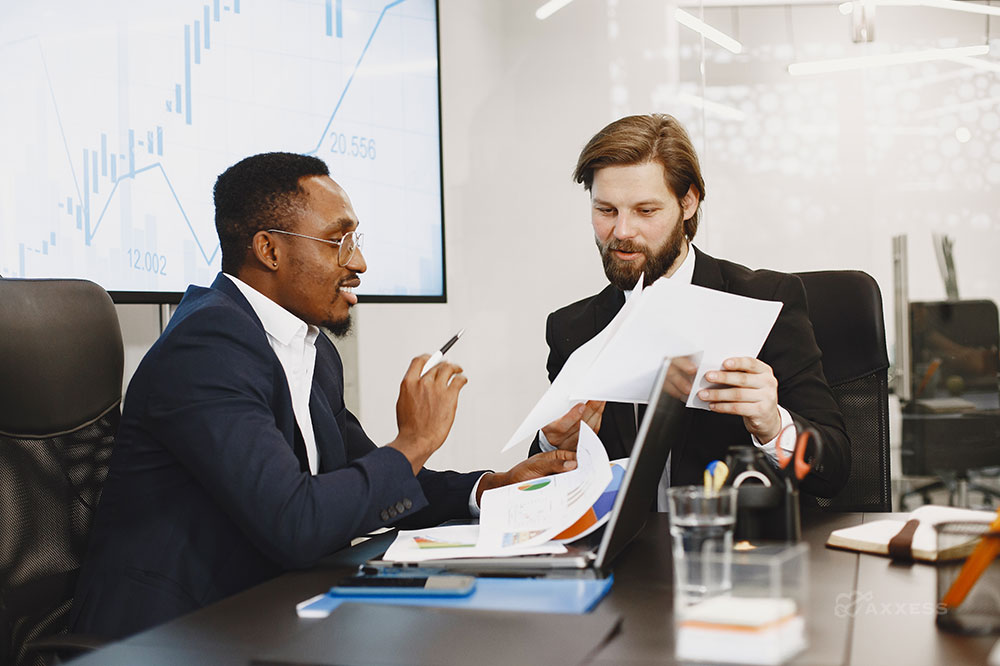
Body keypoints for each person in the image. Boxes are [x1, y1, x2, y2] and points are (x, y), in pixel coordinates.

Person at [70, 152, 575, 639]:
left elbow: (359, 477)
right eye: (339, 240)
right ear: (269, 250)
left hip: (268, 611)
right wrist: (415, 440)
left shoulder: (310, 348)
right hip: (176, 633)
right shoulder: (206, 348)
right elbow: (295, 523)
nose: (359, 262)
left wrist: (489, 487)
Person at [529, 114, 850, 501]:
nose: (623, 232)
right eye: (606, 211)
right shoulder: (572, 328)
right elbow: (540, 492)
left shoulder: (764, 301)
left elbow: (834, 471)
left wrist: (771, 424)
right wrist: (553, 445)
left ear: (688, 202)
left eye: (646, 211)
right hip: (627, 555)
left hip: (733, 550)